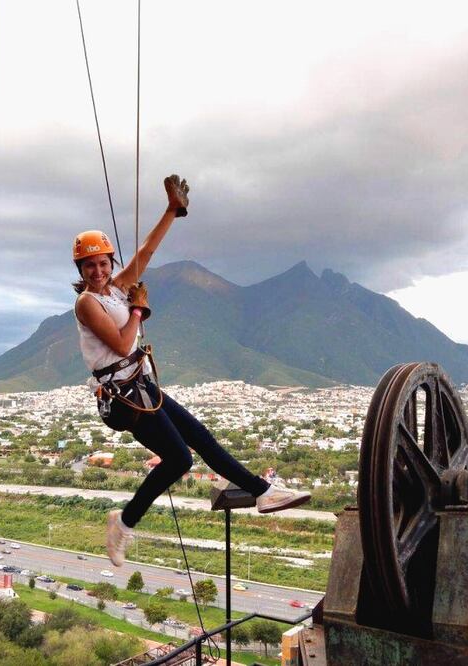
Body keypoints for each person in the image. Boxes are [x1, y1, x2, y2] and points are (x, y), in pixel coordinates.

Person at [73, 174, 311, 567]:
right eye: (90, 265)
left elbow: (146, 253)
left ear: (108, 263)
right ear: (80, 268)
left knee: (202, 437)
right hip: (125, 396)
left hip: (140, 386)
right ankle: (124, 522)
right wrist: (138, 309)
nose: (98, 271)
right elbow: (119, 343)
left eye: (102, 263)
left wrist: (171, 210)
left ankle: (262, 492)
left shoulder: (114, 289)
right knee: (181, 459)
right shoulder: (86, 303)